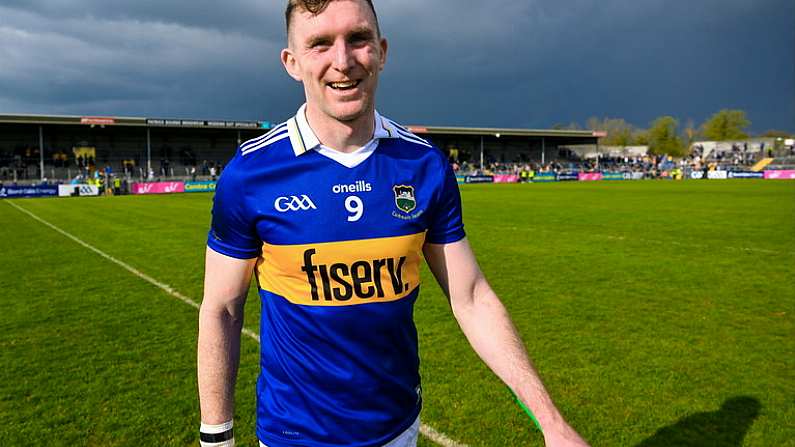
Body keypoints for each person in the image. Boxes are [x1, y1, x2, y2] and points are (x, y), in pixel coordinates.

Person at [197, 1, 589, 447]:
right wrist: (216, 437)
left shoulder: (424, 166)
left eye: (358, 39)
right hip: (294, 434)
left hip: (399, 429)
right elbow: (223, 308)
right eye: (320, 43)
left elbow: (472, 297)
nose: (342, 62)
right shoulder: (251, 173)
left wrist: (552, 423)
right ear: (292, 62)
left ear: (381, 50)